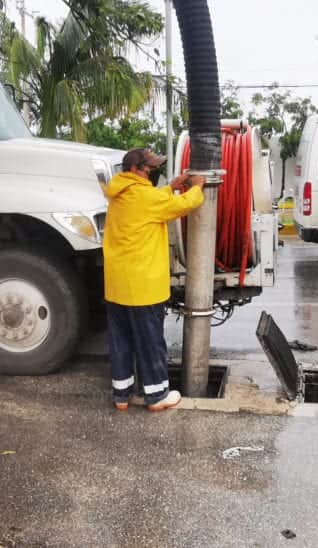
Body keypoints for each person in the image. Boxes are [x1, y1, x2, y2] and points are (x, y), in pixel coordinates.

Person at [103, 148, 205, 411]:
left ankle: (121, 396)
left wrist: (170, 186)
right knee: (150, 342)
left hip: (117, 286)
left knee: (121, 341)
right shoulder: (145, 196)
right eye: (149, 168)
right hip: (143, 287)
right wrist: (197, 186)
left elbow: (149, 200)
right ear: (136, 169)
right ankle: (157, 397)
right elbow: (186, 205)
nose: (152, 172)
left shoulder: (120, 193)